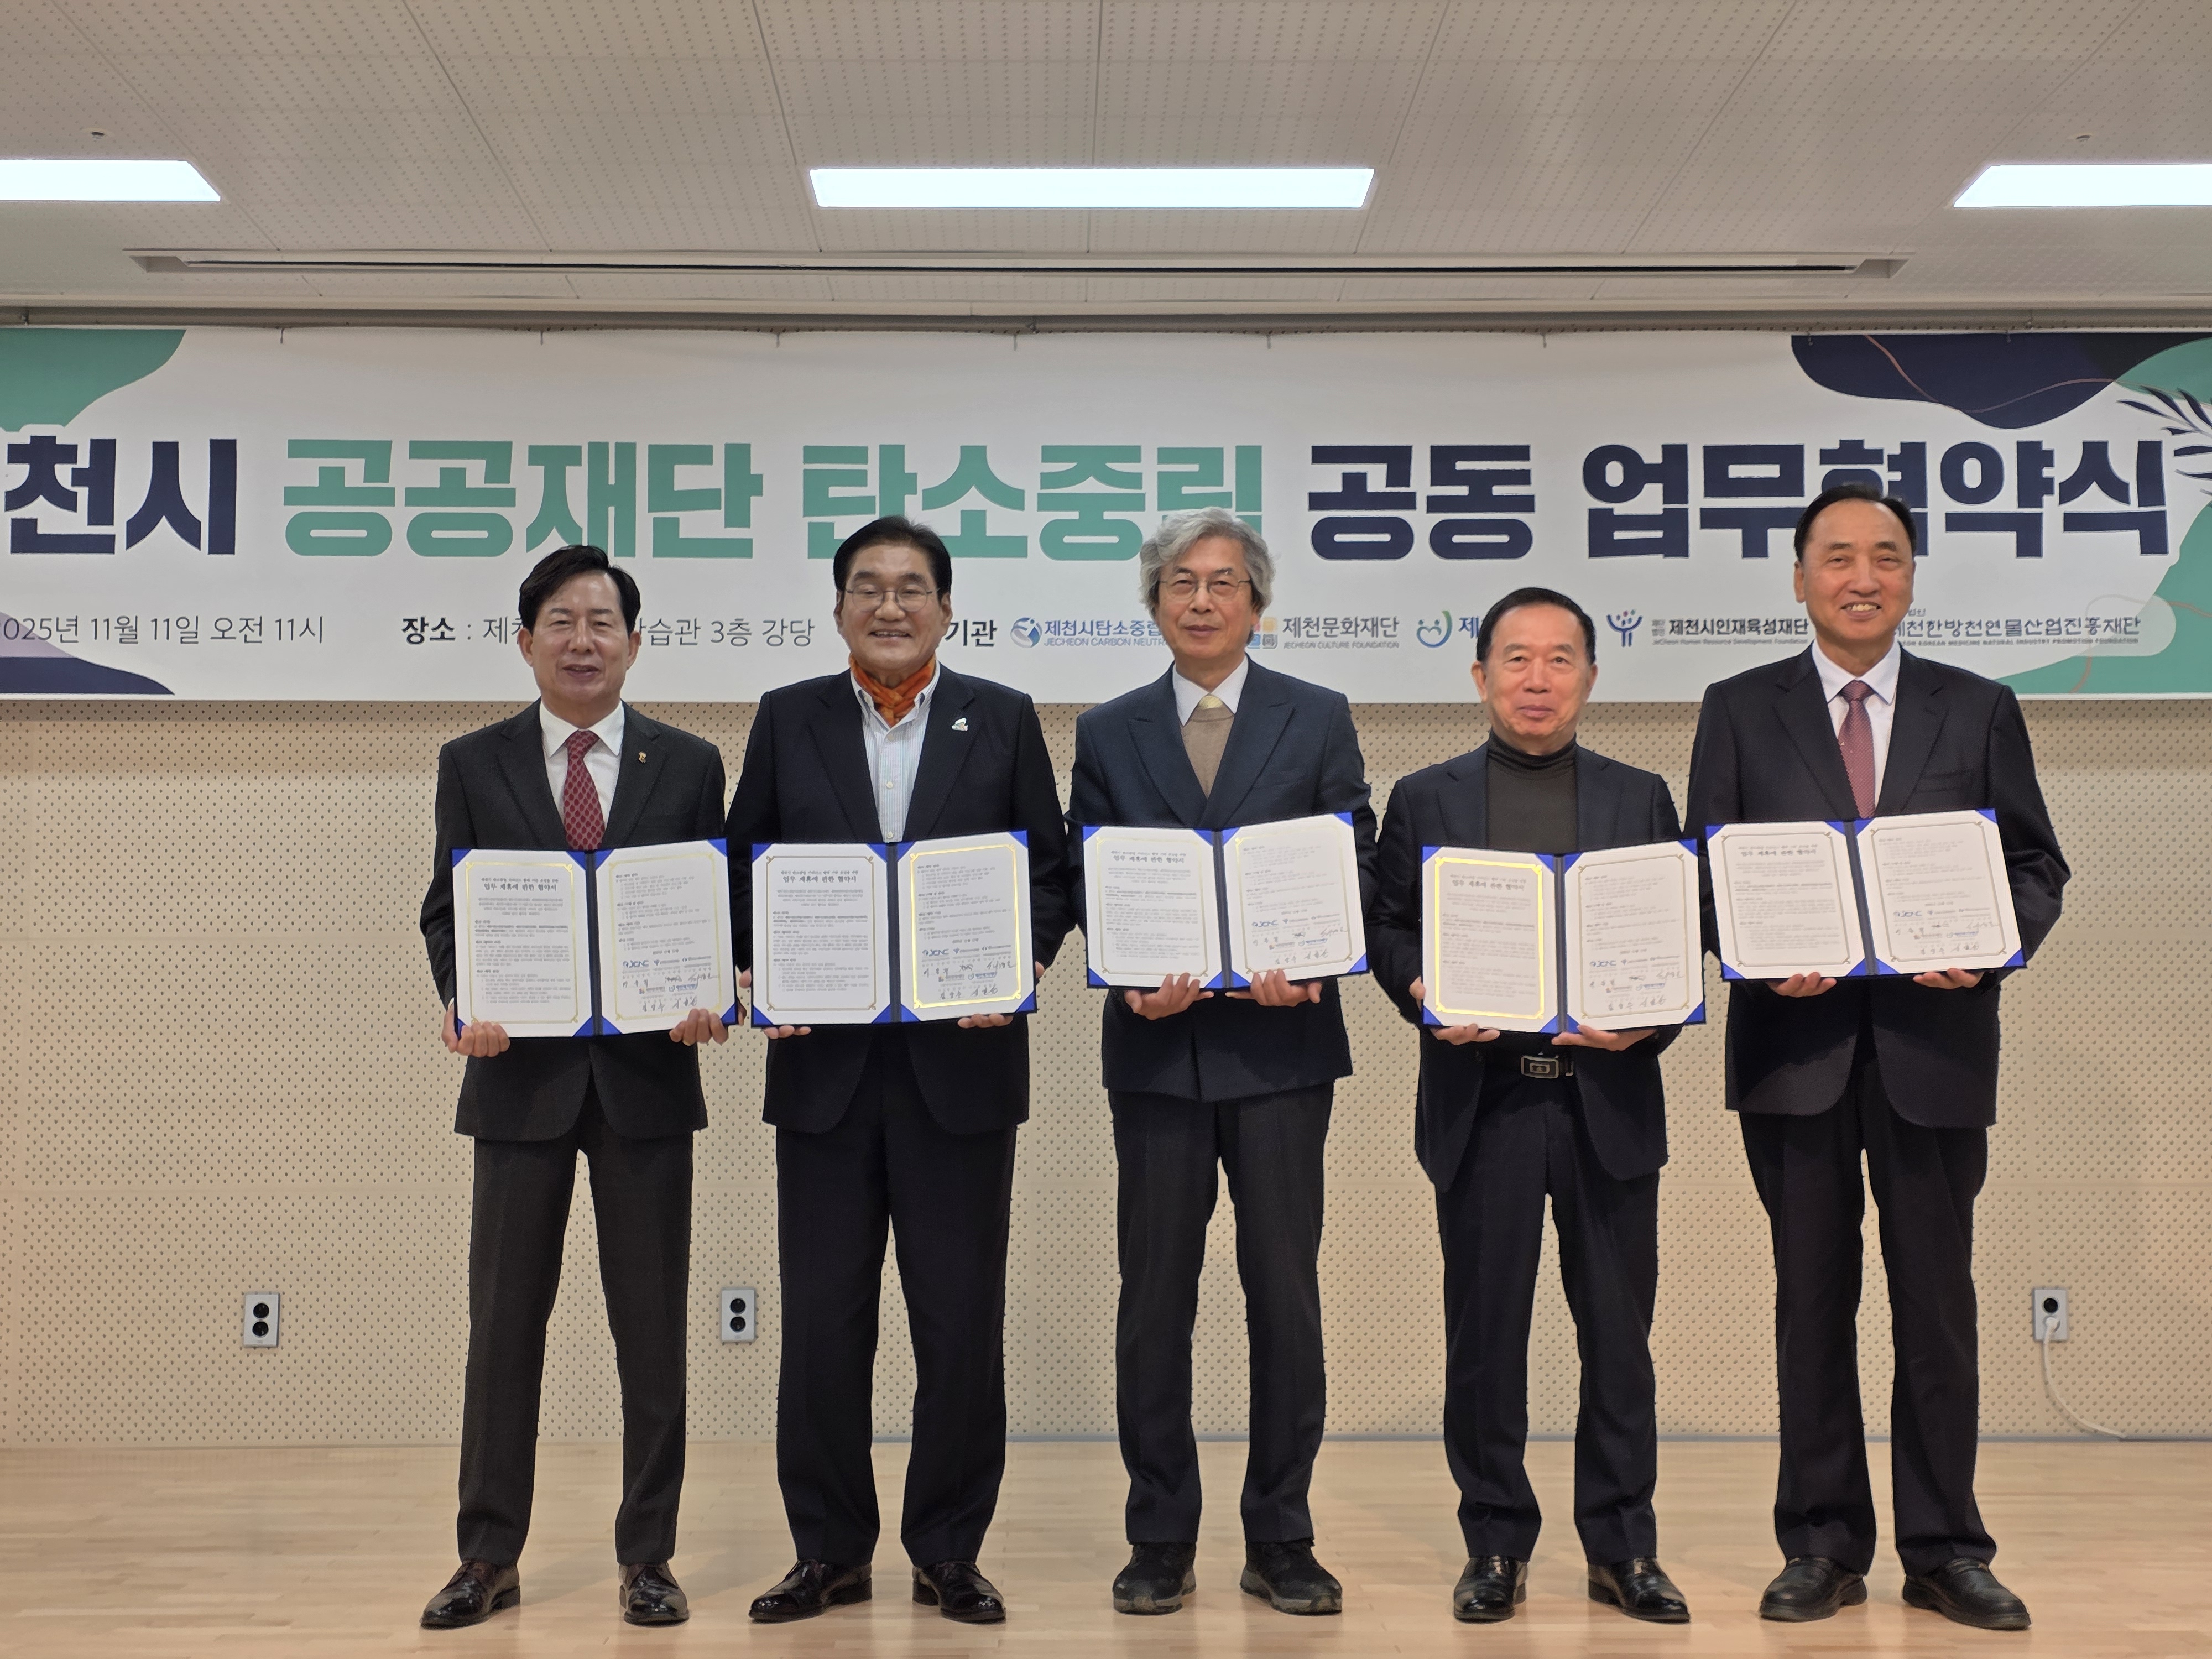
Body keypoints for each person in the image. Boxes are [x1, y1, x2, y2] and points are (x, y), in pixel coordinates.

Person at [1684, 483, 2068, 1631]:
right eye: (1839, 557)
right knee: (1811, 1303)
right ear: (1799, 577)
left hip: (1931, 1049)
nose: (1863, 578)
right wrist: (1755, 956)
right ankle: (1820, 1544)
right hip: (1792, 1051)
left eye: (1886, 557)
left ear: (1910, 576)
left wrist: (1987, 950)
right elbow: (1703, 872)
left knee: (1934, 1304)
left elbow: (2034, 867)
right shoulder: (1738, 707)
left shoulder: (1978, 706)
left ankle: (1946, 1549)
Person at [727, 516, 1072, 1626]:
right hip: (822, 1070)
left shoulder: (1001, 717)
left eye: (911, 587)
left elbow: (1050, 872)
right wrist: (759, 970)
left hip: (960, 1068)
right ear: (838, 609)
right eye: (868, 587)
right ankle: (827, 1551)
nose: (889, 605)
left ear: (945, 609)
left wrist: (1021, 961)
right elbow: (743, 868)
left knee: (958, 1325)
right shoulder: (788, 717)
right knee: (823, 1326)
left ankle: (948, 1549)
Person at [1065, 506, 1377, 1619]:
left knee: (1284, 1298)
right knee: (1154, 1301)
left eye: (1224, 583)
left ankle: (1282, 1536)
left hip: (1282, 1051)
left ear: (1257, 603)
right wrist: (1125, 973)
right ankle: (1158, 1538)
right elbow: (1090, 875)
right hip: (1156, 1054)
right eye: (1181, 584)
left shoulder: (1316, 715)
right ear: (1154, 605)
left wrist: (1316, 960)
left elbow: (1352, 856)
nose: (1202, 601)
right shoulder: (1107, 731)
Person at [417, 544, 729, 1630]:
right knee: (503, 1330)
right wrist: (462, 997)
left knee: (652, 1333)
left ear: (635, 643)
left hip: (648, 1081)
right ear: (525, 641)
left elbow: (710, 906)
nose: (583, 641)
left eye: (602, 622)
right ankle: (485, 1555)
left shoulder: (688, 764)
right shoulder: (473, 761)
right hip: (519, 1083)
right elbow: (449, 909)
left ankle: (648, 1556)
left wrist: (713, 996)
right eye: (561, 621)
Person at [1370, 587, 1691, 1626]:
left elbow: (1672, 937)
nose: (1538, 680)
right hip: (1486, 1104)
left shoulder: (1642, 797)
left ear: (1591, 677)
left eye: (1560, 660)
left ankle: (1623, 1548)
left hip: (1608, 1102)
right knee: (1486, 1338)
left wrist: (1646, 1023)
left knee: (1620, 1341)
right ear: (1480, 677)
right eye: (1517, 659)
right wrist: (1422, 990)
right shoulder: (1426, 800)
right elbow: (1387, 927)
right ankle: (1495, 1544)